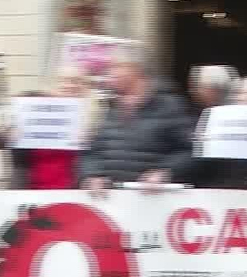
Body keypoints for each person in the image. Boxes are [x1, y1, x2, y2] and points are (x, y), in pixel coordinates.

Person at [78, 48, 193, 195]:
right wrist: (93, 174)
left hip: (152, 202)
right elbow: (91, 152)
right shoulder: (107, 108)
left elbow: (188, 151)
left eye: (116, 67)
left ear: (136, 69)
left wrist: (165, 171)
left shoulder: (170, 105)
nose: (109, 74)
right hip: (109, 202)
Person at [0, 71, 90, 190]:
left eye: (76, 81)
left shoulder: (91, 118)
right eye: (64, 80)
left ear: (85, 88)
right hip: (28, 192)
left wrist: (88, 142)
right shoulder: (31, 103)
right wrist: (4, 134)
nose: (70, 85)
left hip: (73, 192)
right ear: (53, 85)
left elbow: (97, 157)